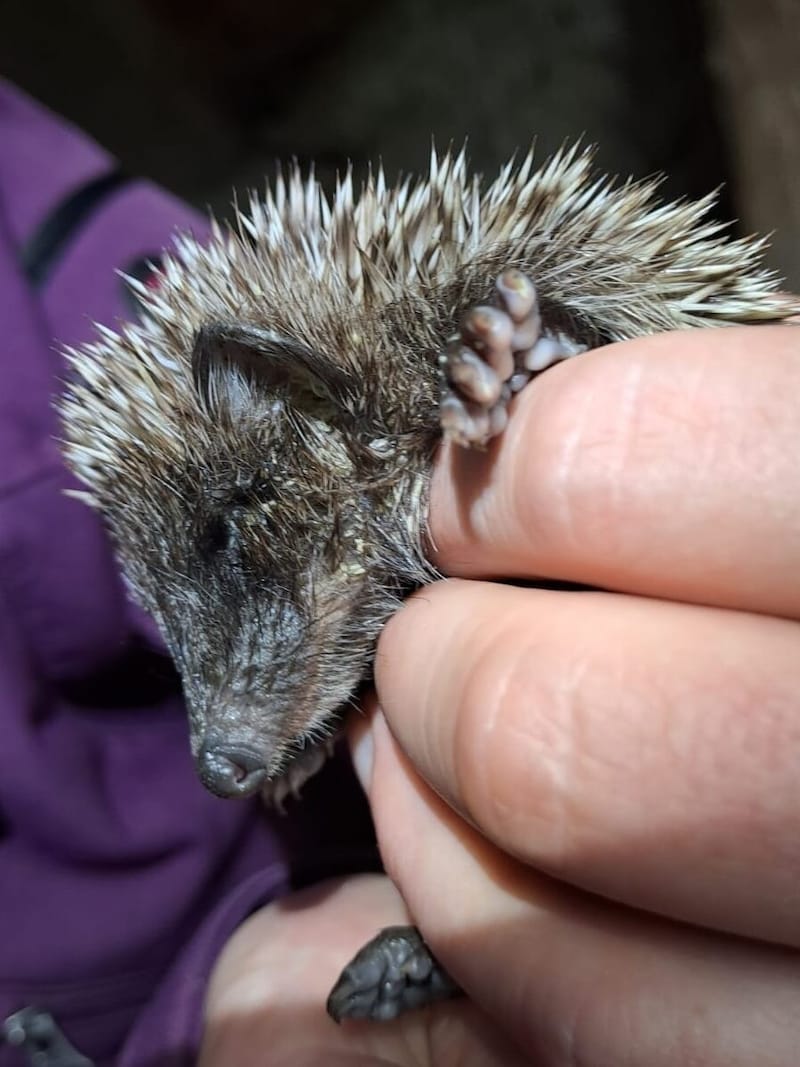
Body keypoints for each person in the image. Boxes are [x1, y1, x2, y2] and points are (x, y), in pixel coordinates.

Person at [3, 79, 800, 1067]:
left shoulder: (458, 321)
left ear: (291, 389)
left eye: (224, 558)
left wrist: (532, 356)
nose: (216, 751)